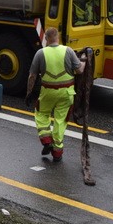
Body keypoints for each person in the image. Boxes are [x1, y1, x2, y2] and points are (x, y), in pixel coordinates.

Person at [26, 27, 83, 162]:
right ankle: (57, 153)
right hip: (66, 92)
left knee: (41, 114)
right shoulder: (68, 51)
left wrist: (29, 92)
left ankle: (46, 140)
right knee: (60, 121)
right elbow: (79, 70)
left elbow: (32, 76)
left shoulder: (40, 53)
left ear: (45, 39)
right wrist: (85, 62)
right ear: (58, 37)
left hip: (48, 92)